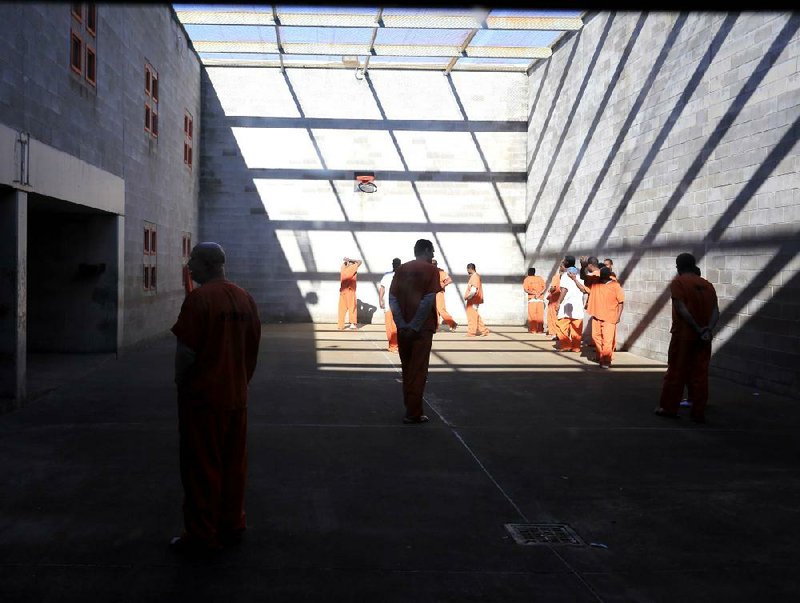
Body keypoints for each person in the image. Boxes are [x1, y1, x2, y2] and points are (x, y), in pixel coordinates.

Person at [170, 242, 262, 557]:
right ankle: (232, 523)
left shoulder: (198, 300)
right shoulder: (245, 299)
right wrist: (240, 381)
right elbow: (252, 348)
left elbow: (186, 354)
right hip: (236, 397)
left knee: (201, 468)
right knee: (233, 465)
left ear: (208, 263)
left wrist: (181, 383)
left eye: (192, 260)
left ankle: (201, 534)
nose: (189, 266)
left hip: (204, 400)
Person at [655, 253, 719, 423]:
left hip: (684, 335)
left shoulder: (678, 283)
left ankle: (669, 408)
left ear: (678, 267)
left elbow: (681, 308)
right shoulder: (707, 285)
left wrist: (697, 329)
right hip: (704, 337)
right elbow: (715, 311)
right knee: (700, 373)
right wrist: (707, 330)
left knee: (676, 371)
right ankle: (698, 411)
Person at [389, 239, 442, 424]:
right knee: (418, 370)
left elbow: (392, 298)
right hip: (421, 330)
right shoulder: (431, 270)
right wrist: (414, 326)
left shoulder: (402, 269)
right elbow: (427, 301)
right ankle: (414, 413)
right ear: (426, 250)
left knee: (407, 369)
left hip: (404, 330)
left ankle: (410, 408)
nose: (433, 255)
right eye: (432, 251)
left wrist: (402, 324)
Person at [570, 266, 624, 368]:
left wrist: (618, 316)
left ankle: (606, 361)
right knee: (595, 337)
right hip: (597, 316)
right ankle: (602, 356)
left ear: (608, 276)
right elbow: (583, 289)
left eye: (603, 275)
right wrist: (575, 279)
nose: (602, 276)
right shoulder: (595, 285)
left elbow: (621, 302)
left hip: (610, 317)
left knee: (607, 340)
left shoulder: (615, 286)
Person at [552, 255, 584, 352]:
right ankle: (576, 347)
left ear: (566, 263)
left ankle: (566, 345)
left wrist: (558, 302)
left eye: (563, 260)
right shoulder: (580, 273)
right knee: (576, 327)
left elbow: (564, 290)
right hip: (578, 304)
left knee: (561, 325)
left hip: (567, 304)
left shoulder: (566, 274)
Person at [378, 258, 401, 353]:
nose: (395, 265)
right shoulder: (387, 275)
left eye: (396, 264)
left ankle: (396, 345)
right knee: (390, 326)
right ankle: (393, 345)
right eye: (394, 263)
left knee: (396, 326)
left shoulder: (403, 275)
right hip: (389, 304)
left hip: (399, 305)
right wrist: (380, 300)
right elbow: (382, 288)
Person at [431, 259, 458, 331]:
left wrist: (443, 284)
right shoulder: (429, 272)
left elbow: (449, 279)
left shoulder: (441, 272)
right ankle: (436, 326)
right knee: (435, 311)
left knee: (441, 309)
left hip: (439, 293)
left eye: (434, 264)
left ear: (436, 264)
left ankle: (453, 324)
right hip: (432, 293)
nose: (433, 265)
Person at [464, 263, 490, 337]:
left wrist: (468, 297)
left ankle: (471, 332)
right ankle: (484, 330)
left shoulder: (474, 277)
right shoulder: (475, 276)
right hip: (474, 299)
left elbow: (473, 290)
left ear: (470, 269)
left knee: (472, 317)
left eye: (467, 270)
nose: (467, 272)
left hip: (473, 300)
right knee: (476, 316)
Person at [338, 256, 362, 330]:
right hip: (350, 291)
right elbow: (360, 262)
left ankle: (340, 325)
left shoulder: (343, 268)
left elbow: (344, 263)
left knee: (341, 309)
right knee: (352, 308)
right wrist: (351, 260)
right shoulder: (352, 268)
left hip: (342, 292)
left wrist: (346, 261)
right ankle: (352, 324)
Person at [522, 267, 546, 333]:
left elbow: (525, 289)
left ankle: (533, 330)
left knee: (532, 316)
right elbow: (544, 288)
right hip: (540, 299)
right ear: (534, 272)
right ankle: (540, 330)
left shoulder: (527, 279)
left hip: (532, 299)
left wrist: (534, 293)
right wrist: (538, 294)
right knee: (540, 315)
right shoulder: (540, 278)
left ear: (528, 272)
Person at [546, 263, 564, 339]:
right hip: (564, 301)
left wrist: (550, 290)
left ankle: (554, 333)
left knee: (553, 317)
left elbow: (553, 287)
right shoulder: (571, 277)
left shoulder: (556, 277)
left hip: (554, 301)